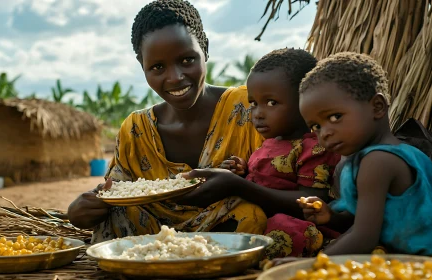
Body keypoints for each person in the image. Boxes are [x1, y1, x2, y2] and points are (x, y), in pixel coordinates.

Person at [67, 0, 267, 243]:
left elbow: (284, 180)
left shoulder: (248, 108)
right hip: (152, 234)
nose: (175, 78)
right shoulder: (136, 130)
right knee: (118, 213)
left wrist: (236, 184)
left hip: (228, 223)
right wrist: (85, 208)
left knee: (251, 213)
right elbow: (116, 194)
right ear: (143, 67)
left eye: (187, 60)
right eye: (158, 67)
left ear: (205, 49)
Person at [182, 48, 341, 258]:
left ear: (307, 101)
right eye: (254, 103)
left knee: (283, 228)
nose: (258, 114)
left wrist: (240, 186)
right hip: (255, 219)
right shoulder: (270, 142)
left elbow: (314, 201)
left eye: (271, 103)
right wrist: (241, 170)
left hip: (294, 228)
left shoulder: (313, 149)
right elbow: (264, 178)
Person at [296, 52, 432, 256]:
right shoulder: (402, 153)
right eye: (316, 126)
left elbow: (364, 238)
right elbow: (367, 223)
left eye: (335, 117)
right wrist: (331, 217)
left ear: (377, 107)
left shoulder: (377, 162)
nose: (325, 133)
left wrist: (311, 265)